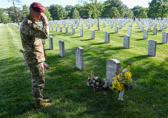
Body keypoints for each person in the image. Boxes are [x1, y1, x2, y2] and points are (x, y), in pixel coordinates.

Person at [20, 2, 51, 108]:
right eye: (40, 13)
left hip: (35, 56)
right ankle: (39, 102)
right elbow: (45, 34)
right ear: (33, 11)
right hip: (33, 57)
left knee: (38, 78)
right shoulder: (29, 24)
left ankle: (40, 99)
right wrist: (45, 22)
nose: (41, 15)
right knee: (38, 79)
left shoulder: (30, 22)